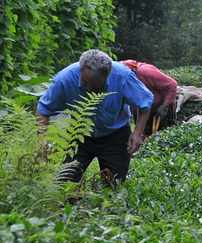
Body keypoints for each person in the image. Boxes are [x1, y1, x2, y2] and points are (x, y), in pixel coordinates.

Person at [35, 50, 154, 183]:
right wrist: (42, 140)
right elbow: (43, 109)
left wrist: (138, 133)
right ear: (80, 71)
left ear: (107, 75)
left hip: (115, 136)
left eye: (97, 86)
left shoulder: (122, 76)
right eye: (85, 83)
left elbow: (145, 103)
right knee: (64, 184)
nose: (90, 90)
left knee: (113, 185)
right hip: (79, 136)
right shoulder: (65, 79)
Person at [120, 60, 178, 135]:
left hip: (161, 107)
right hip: (142, 110)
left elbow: (172, 84)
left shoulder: (145, 72)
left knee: (165, 134)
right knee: (144, 136)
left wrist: (164, 107)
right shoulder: (119, 78)